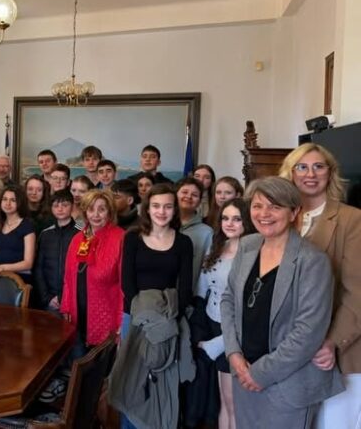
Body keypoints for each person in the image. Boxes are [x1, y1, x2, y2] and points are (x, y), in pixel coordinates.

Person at [221, 177, 343, 428]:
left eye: (275, 207)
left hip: (288, 385)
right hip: (243, 373)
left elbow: (308, 332)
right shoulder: (247, 245)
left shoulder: (313, 260)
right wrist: (233, 354)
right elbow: (228, 299)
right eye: (257, 206)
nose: (264, 214)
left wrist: (259, 374)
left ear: (294, 212)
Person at [279, 144, 361, 428]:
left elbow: (357, 293)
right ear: (290, 173)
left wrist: (333, 342)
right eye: (301, 167)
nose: (310, 174)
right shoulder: (281, 218)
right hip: (288, 352)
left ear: (330, 173)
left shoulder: (352, 219)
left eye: (318, 166)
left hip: (337, 352)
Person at [119, 183, 193, 429]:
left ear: (175, 210)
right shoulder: (132, 238)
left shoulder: (184, 242)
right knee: (131, 379)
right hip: (135, 317)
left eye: (168, 206)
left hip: (168, 319)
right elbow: (127, 283)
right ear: (147, 209)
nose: (162, 211)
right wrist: (144, 318)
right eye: (156, 206)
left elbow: (185, 288)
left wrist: (167, 321)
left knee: (162, 380)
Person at [188, 198, 255, 429]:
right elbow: (202, 288)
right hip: (212, 323)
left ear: (247, 222)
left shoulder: (253, 253)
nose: (230, 223)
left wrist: (219, 343)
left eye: (237, 219)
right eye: (225, 218)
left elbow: (250, 309)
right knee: (221, 402)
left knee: (234, 402)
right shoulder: (218, 246)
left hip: (236, 333)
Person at [61, 190, 124, 355]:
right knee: (78, 361)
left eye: (101, 209)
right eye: (91, 209)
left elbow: (124, 287)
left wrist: (121, 323)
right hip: (77, 314)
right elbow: (68, 278)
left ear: (110, 212)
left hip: (106, 316)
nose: (95, 215)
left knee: (101, 365)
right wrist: (66, 307)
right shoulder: (78, 238)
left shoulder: (121, 238)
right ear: (85, 212)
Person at [33, 190, 79, 311]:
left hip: (73, 297)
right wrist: (46, 297)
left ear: (72, 206)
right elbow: (38, 268)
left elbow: (81, 271)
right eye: (56, 205)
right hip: (47, 299)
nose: (60, 209)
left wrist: (63, 296)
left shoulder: (81, 234)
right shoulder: (45, 234)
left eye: (64, 205)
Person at [0, 185, 36, 283]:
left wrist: (1, 267)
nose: (8, 203)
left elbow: (28, 263)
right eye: (4, 199)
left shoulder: (27, 226)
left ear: (20, 203)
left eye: (13, 200)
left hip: (20, 279)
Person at [176, 176, 213, 290]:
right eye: (184, 192)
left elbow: (206, 270)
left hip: (189, 293)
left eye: (195, 195)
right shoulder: (163, 225)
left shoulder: (207, 233)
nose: (188, 196)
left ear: (199, 201)